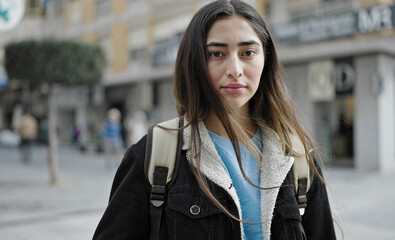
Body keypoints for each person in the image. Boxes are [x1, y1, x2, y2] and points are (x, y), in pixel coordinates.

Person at [93, 1, 336, 239]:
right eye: (216, 53)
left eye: (248, 52)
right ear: (195, 61)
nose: (235, 69)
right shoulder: (154, 154)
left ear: (266, 60)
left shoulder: (298, 157)